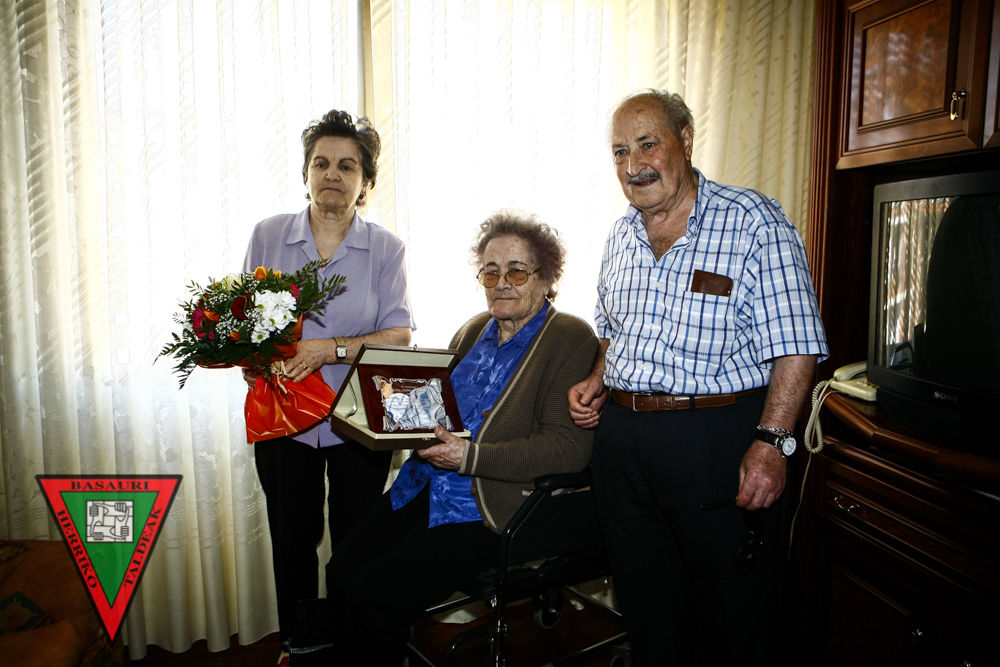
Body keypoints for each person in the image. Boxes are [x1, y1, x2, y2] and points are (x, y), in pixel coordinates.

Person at [568, 90, 828, 667]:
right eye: (619, 151)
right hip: (622, 445)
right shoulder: (619, 237)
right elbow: (614, 332)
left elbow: (797, 345)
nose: (633, 165)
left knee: (734, 617)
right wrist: (597, 380)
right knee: (648, 612)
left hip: (714, 440)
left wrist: (773, 444)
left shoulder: (753, 221)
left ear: (685, 140)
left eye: (647, 144)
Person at [326, 210, 599, 666]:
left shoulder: (569, 338)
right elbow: (439, 409)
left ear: (546, 277)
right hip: (424, 484)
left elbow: (567, 449)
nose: (501, 283)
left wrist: (469, 457)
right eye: (490, 272)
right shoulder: (473, 329)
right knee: (340, 571)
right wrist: (391, 410)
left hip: (488, 505)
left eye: (517, 271)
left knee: (376, 597)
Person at [241, 109, 415, 663]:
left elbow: (399, 336)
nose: (332, 174)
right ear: (305, 173)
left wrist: (329, 349)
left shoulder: (386, 248)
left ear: (365, 181)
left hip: (356, 418)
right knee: (291, 539)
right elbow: (244, 322)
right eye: (321, 163)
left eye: (347, 165)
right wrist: (249, 358)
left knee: (355, 541)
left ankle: (351, 647)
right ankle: (300, 647)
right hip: (283, 416)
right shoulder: (268, 235)